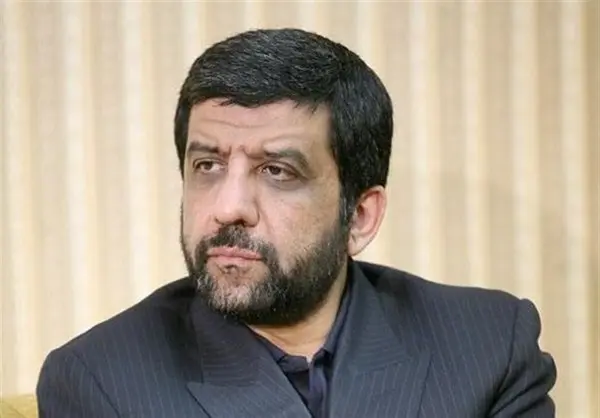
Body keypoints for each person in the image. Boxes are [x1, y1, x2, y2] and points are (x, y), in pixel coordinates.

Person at [36, 28, 556, 418]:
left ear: (360, 216)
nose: (228, 207)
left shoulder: (487, 346)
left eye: (277, 171)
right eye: (207, 166)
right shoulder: (99, 382)